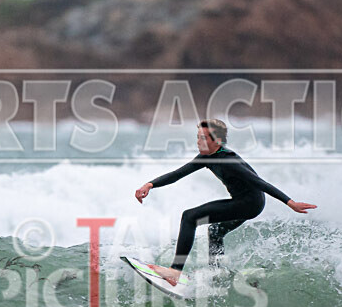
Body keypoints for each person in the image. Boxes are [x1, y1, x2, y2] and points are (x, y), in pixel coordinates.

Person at [135, 119, 316, 286]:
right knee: (215, 231)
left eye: (203, 138)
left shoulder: (229, 160)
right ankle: (218, 273)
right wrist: (150, 184)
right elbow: (177, 174)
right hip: (247, 202)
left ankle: (175, 271)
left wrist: (289, 202)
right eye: (198, 137)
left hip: (249, 203)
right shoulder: (206, 157)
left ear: (217, 141)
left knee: (190, 217)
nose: (198, 141)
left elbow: (259, 182)